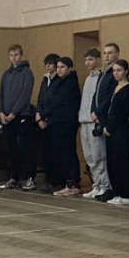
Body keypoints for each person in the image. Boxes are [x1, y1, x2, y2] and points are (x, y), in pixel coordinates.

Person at [37, 56, 83, 196]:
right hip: (56, 122)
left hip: (67, 123)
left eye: (62, 67)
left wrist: (42, 114)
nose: (59, 70)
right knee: (59, 154)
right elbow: (46, 99)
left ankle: (73, 183)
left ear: (69, 68)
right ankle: (64, 182)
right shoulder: (58, 82)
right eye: (58, 67)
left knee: (68, 152)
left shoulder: (70, 82)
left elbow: (57, 101)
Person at [0, 44, 37, 190]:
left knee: (25, 148)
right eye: (11, 55)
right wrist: (1, 112)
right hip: (7, 117)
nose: (14, 58)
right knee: (11, 149)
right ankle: (14, 177)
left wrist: (14, 113)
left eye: (16, 55)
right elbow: (1, 94)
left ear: (21, 55)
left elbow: (25, 95)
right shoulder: (6, 74)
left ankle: (29, 178)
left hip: (21, 116)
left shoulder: (27, 73)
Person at [79, 48, 112, 200]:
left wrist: (98, 115)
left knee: (99, 156)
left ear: (98, 60)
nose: (88, 62)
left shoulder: (101, 77)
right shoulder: (88, 79)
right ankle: (96, 185)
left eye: (91, 59)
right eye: (86, 60)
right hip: (84, 121)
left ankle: (105, 185)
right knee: (90, 157)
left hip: (94, 121)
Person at [103, 59, 129, 204]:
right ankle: (116, 191)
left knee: (121, 161)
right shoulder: (114, 87)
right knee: (112, 162)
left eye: (119, 70)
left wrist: (110, 127)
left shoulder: (128, 89)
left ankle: (126, 194)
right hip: (110, 129)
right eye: (114, 70)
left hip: (121, 129)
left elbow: (124, 112)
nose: (116, 73)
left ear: (126, 71)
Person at [34, 53, 60, 191]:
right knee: (45, 152)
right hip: (42, 119)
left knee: (55, 151)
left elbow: (55, 102)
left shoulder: (59, 80)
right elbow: (40, 99)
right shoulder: (45, 80)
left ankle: (56, 181)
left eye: (51, 64)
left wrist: (44, 115)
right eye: (46, 64)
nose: (48, 66)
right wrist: (39, 116)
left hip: (54, 120)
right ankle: (48, 180)